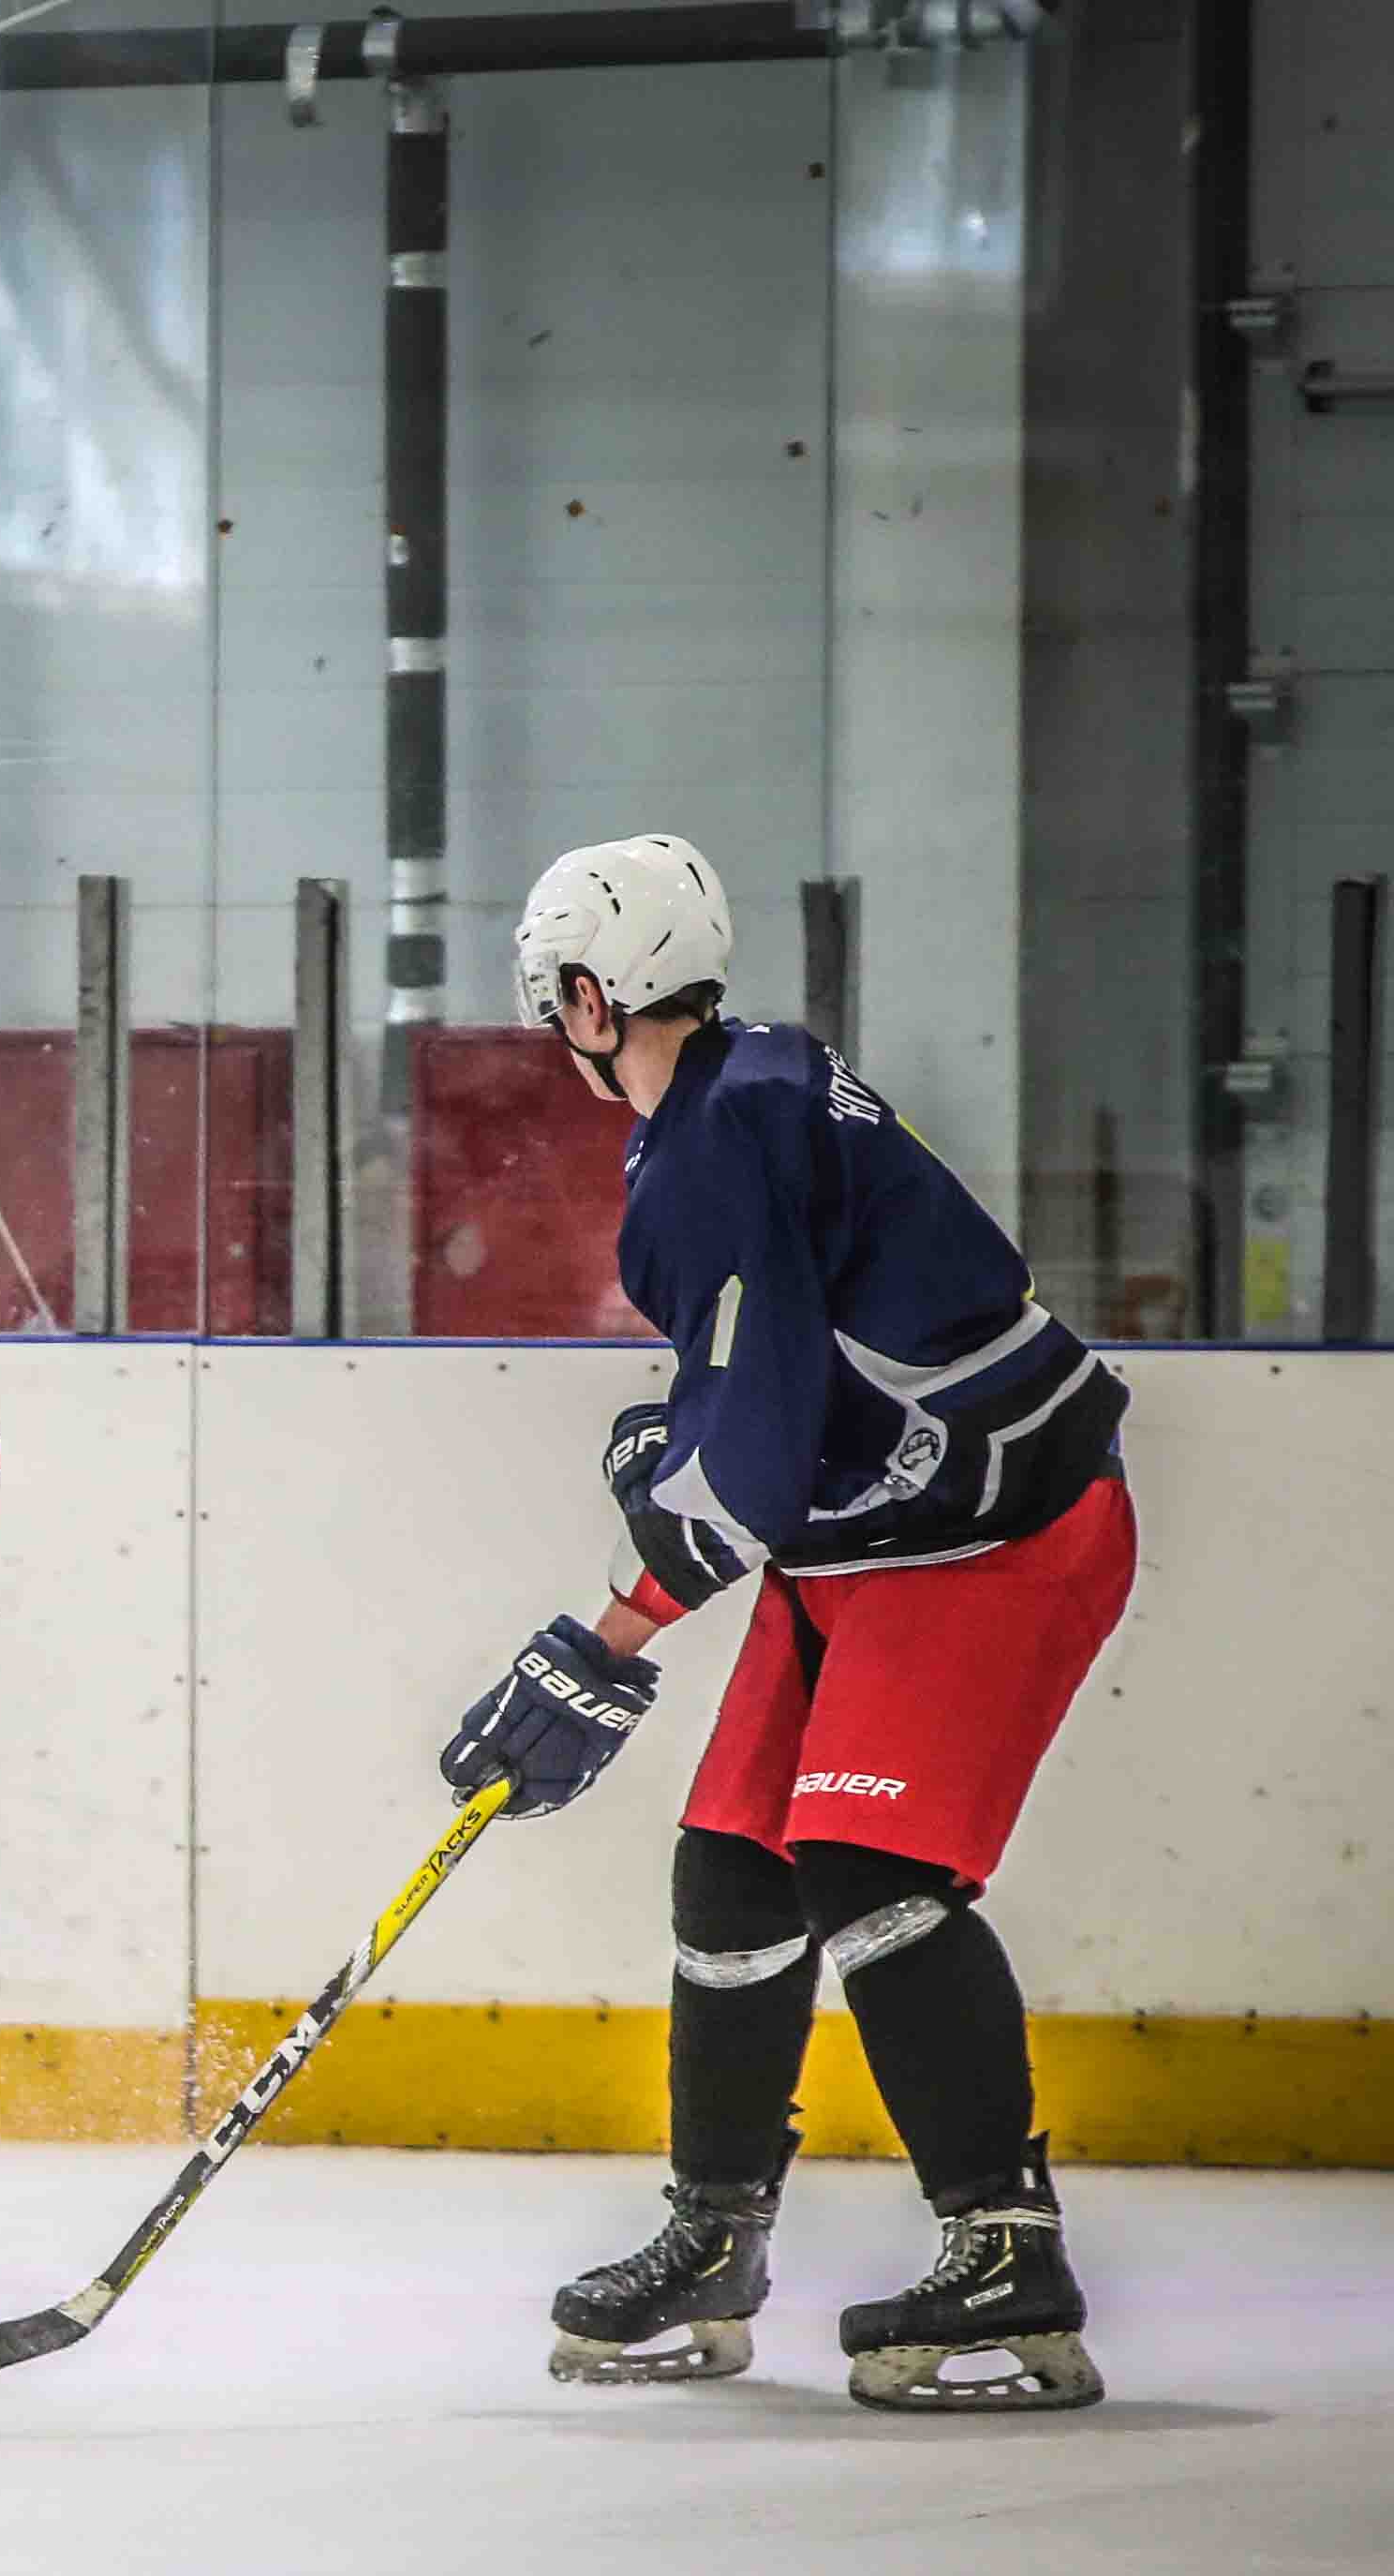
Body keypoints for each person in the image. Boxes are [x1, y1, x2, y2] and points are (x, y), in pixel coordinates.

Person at [435, 834, 1132, 2415]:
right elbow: (781, 1376)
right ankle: (714, 2234)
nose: (556, 1036)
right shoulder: (745, 1078)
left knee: (866, 1866)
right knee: (734, 1861)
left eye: (554, 1007)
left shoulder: (714, 1137)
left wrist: (607, 1636)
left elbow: (749, 1453)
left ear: (592, 999)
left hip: (990, 1540)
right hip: (886, 1531)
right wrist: (670, 1457)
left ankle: (1004, 2244)